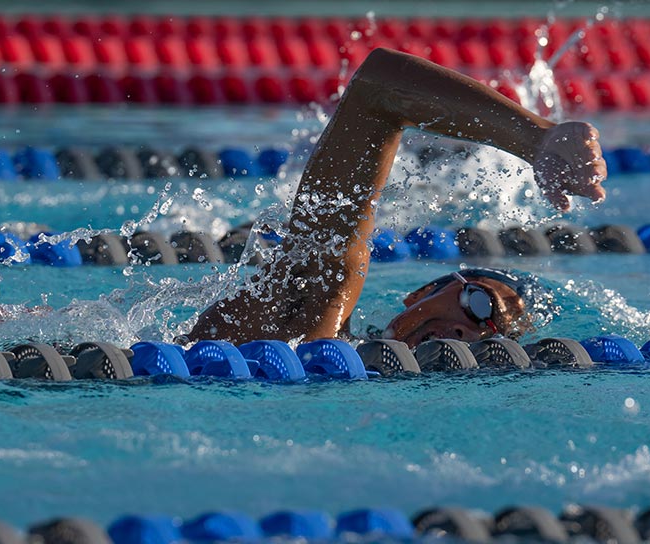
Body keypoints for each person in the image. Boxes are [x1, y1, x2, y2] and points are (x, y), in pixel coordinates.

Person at [187, 48, 606, 348]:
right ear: (419, 292)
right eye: (479, 303)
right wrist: (536, 137)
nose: (471, 332)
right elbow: (379, 88)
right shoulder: (312, 310)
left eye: (493, 337)